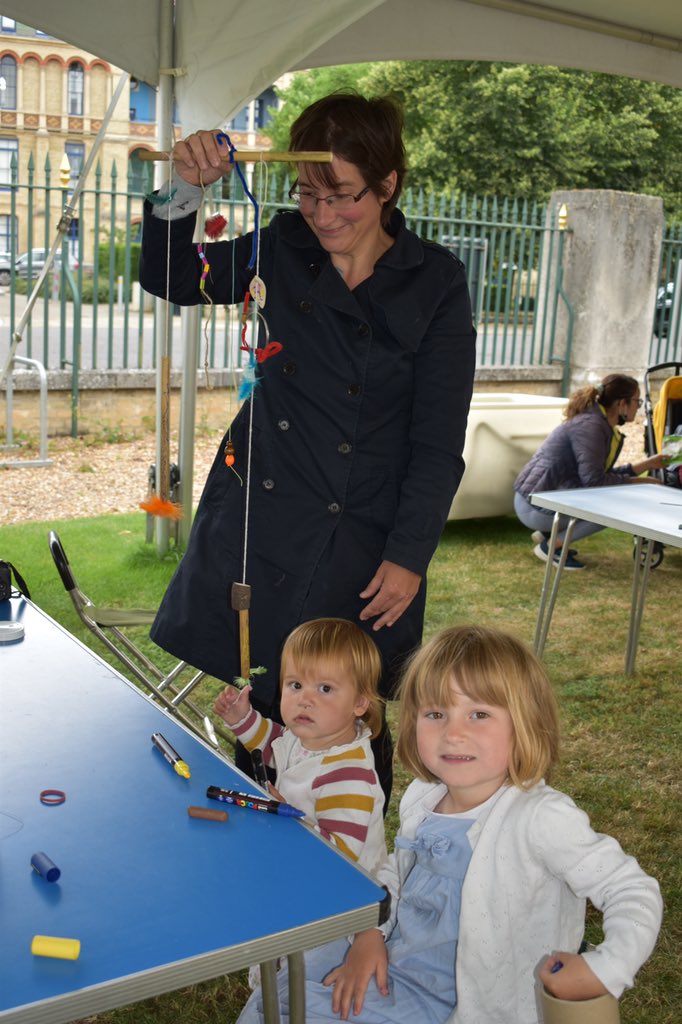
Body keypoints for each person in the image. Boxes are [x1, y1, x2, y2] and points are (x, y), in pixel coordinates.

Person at [138, 93, 476, 801]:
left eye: (343, 196)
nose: (323, 216)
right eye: (309, 195)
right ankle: (262, 895)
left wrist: (409, 554)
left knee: (351, 728)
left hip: (364, 544)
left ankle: (356, 889)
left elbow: (438, 442)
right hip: (271, 524)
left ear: (387, 186)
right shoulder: (283, 244)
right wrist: (185, 188)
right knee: (267, 719)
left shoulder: (435, 280)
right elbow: (173, 276)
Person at [236, 624, 662, 1024]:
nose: (453, 733)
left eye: (478, 714)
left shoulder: (539, 818)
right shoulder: (424, 796)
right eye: (436, 714)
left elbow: (633, 889)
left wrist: (605, 970)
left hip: (462, 1000)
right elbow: (396, 874)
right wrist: (371, 933)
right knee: (278, 991)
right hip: (398, 960)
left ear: (526, 723)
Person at [213, 617, 387, 874]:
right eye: (295, 685)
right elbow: (275, 744)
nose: (305, 699)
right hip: (301, 860)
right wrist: (242, 718)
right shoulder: (309, 736)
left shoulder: (349, 776)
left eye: (325, 688)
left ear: (360, 703)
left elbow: (339, 856)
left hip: (343, 890)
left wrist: (287, 816)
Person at [514, 373, 665, 570]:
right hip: (534, 507)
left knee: (609, 497)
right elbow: (595, 482)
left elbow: (598, 476)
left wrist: (646, 465)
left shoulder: (597, 422)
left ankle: (549, 533)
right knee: (614, 509)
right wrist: (640, 482)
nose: (638, 406)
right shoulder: (591, 427)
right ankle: (550, 545)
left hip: (538, 499)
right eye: (637, 401)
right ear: (622, 403)